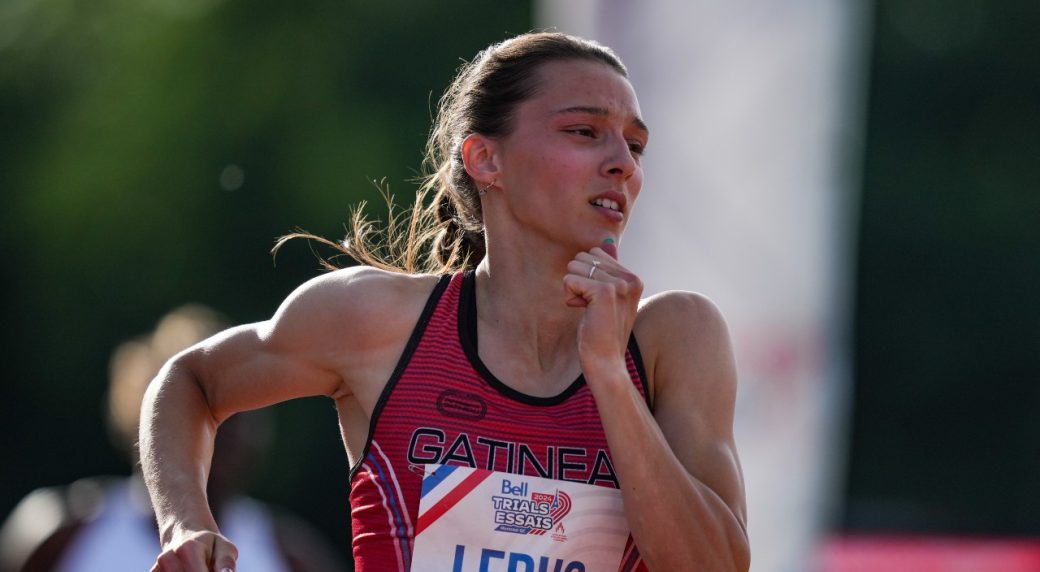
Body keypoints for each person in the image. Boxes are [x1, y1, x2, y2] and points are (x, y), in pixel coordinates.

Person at [140, 32, 750, 572]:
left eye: (636, 146)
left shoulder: (674, 337)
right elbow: (190, 379)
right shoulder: (379, 321)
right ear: (486, 159)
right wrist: (186, 523)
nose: (622, 164)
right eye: (584, 132)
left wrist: (611, 377)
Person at [0, 305, 347, 572]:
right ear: (147, 419)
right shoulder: (57, 535)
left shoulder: (294, 557)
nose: (226, 428)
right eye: (200, 409)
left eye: (239, 408)